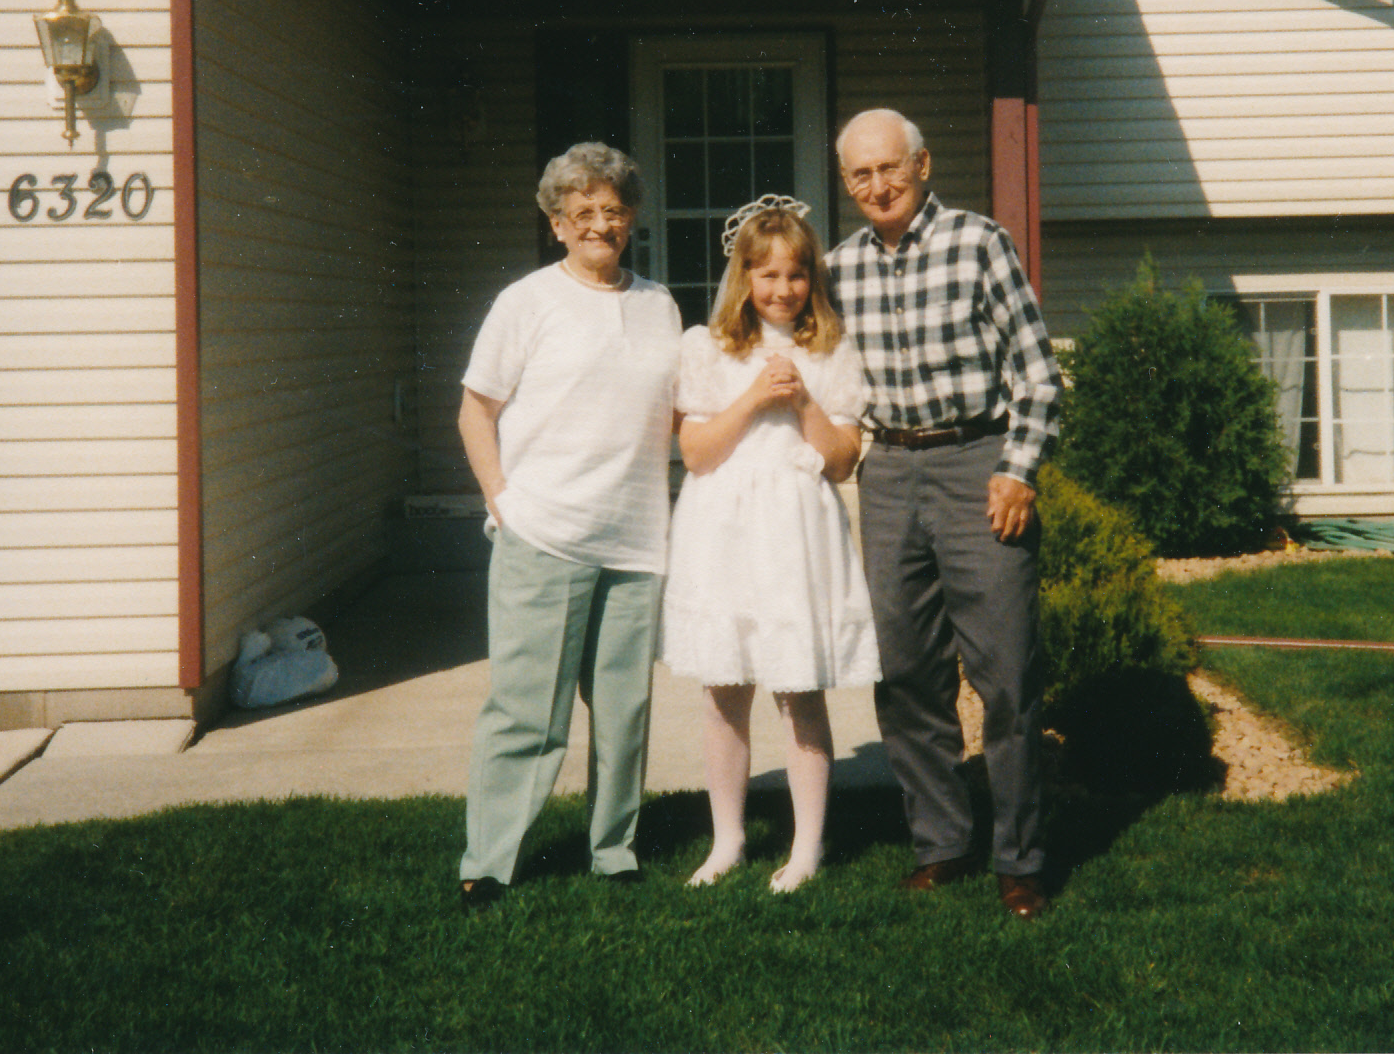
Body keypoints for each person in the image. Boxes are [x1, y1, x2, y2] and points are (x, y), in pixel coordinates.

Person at [824, 109, 1064, 921]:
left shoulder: (978, 242)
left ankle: (1020, 860)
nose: (877, 186)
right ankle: (941, 844)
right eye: (860, 174)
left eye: (889, 168)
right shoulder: (838, 268)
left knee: (1006, 675)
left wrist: (1017, 471)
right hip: (889, 471)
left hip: (976, 466)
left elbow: (1037, 376)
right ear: (846, 182)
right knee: (905, 674)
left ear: (921, 165)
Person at [455, 142, 684, 912]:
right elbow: (475, 411)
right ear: (556, 223)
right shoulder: (526, 302)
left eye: (612, 210)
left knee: (623, 714)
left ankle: (613, 848)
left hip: (635, 540)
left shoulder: (659, 305)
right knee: (527, 713)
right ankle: (490, 861)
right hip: (545, 534)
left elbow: (674, 411)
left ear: (631, 220)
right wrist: (503, 501)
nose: (598, 224)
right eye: (581, 211)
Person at [660, 197, 878, 893]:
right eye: (767, 275)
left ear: (812, 278)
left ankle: (806, 846)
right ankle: (727, 839)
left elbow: (840, 460)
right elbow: (697, 452)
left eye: (796, 275)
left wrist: (803, 401)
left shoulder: (830, 351)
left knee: (798, 690)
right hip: (723, 530)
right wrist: (754, 396)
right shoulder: (707, 346)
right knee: (724, 691)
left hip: (795, 534)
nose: (782, 289)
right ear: (744, 277)